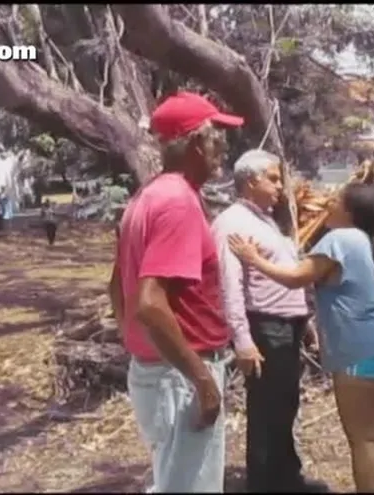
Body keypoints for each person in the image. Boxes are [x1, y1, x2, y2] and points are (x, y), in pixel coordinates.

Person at [227, 183, 374, 492]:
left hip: (361, 350)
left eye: (335, 200)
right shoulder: (363, 240)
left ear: (349, 212)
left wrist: (253, 258)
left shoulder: (339, 239)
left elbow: (297, 277)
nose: (328, 203)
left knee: (362, 438)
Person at [112, 91, 243, 492]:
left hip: (160, 370)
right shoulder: (178, 203)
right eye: (217, 135)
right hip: (180, 375)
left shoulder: (147, 197)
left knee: (173, 483)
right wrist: (201, 379)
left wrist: (136, 343)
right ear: (197, 144)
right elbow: (150, 304)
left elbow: (118, 286)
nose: (223, 146)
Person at [211, 150, 327, 493]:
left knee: (286, 404)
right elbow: (229, 286)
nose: (280, 186)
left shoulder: (265, 220)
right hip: (265, 328)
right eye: (273, 178)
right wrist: (243, 340)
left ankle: (286, 477)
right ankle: (264, 483)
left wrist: (304, 325)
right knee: (266, 410)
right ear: (251, 181)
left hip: (287, 327)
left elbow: (285, 277)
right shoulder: (232, 223)